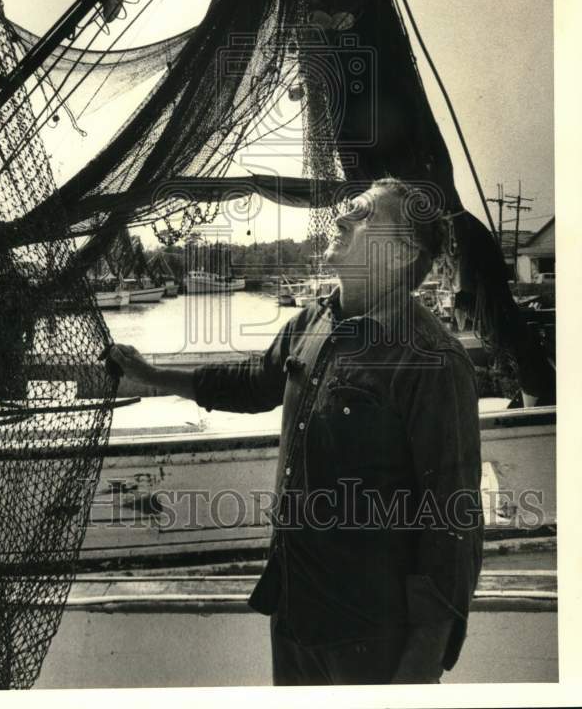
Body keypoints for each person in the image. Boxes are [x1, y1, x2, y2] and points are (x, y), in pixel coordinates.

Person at [110, 178, 483, 686]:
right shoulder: (314, 320)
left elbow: (453, 525)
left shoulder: (433, 361)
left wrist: (420, 666)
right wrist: (153, 376)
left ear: (399, 255)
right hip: (295, 613)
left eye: (363, 214)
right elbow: (253, 383)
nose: (341, 218)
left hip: (372, 636)